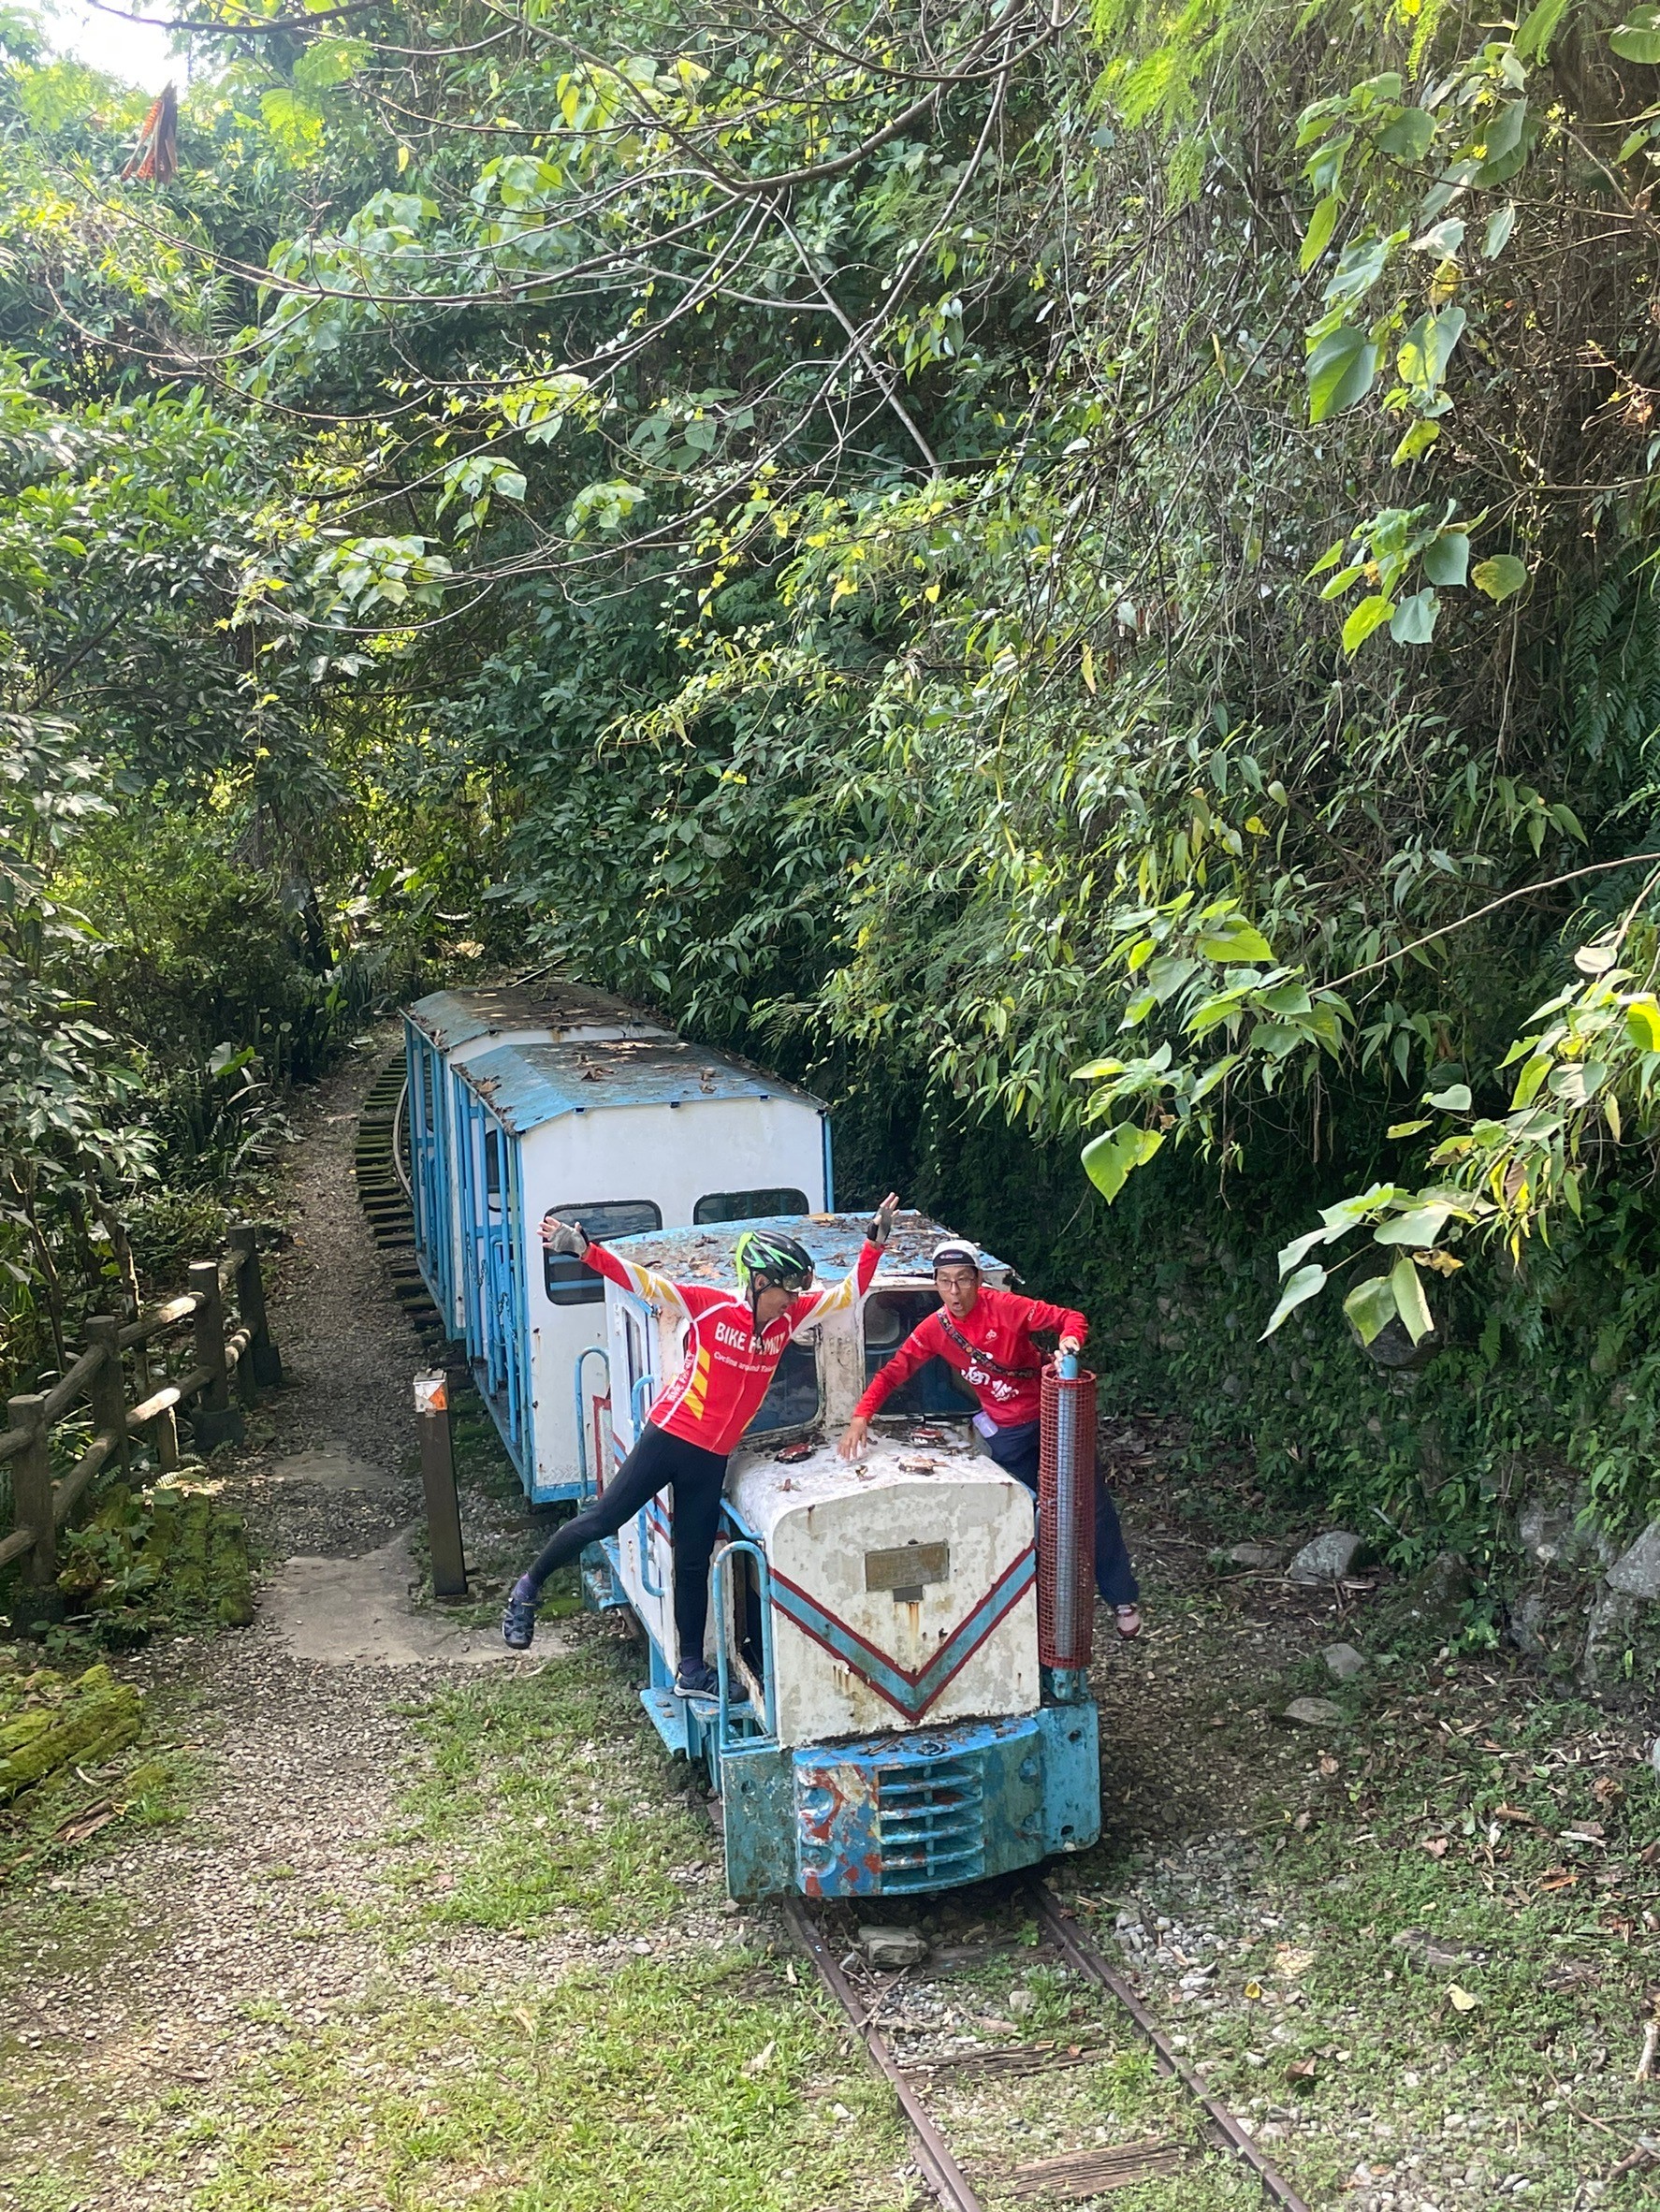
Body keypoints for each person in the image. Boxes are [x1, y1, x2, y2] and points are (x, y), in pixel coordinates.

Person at [502, 1196, 901, 1687]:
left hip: (712, 1457)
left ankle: (691, 1668)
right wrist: (585, 1252)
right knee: (604, 1518)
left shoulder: (786, 1321)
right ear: (758, 1282)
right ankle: (527, 1589)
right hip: (668, 1437)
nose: (794, 1300)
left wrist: (874, 1242)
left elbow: (848, 1294)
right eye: (786, 1289)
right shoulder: (712, 1307)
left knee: (692, 1559)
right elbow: (644, 1282)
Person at [837, 1239, 1142, 1637]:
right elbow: (895, 1370)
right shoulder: (936, 1329)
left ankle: (1121, 1598)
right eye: (944, 1282)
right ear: (936, 1285)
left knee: (1090, 1504)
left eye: (963, 1280)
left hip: (1054, 1416)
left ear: (978, 1280)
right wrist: (861, 1416)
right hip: (1007, 1434)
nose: (954, 1291)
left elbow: (1070, 1317)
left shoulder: (1007, 1307)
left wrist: (1070, 1343)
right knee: (1026, 1515)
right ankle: (1038, 1612)